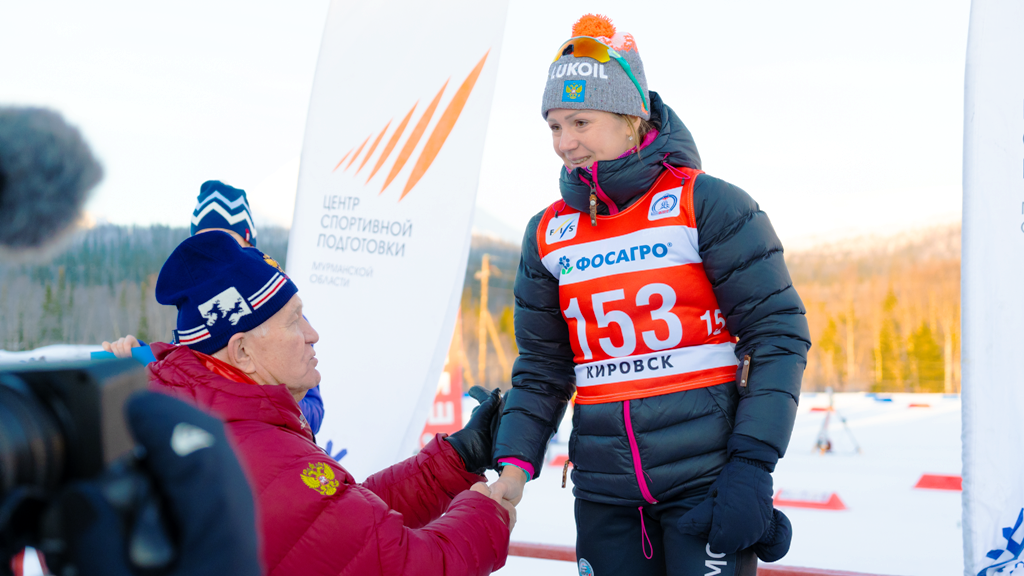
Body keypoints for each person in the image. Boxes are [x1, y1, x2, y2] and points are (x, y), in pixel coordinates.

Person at [487, 14, 810, 576]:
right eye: (555, 127)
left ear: (632, 118)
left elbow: (778, 334)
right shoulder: (547, 234)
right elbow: (542, 369)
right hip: (605, 492)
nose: (566, 143)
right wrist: (510, 474)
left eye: (581, 121)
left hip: (706, 483)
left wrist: (753, 466)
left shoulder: (706, 205)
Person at [146, 231, 513, 575]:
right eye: (293, 322)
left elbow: (336, 525)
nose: (312, 334)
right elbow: (406, 565)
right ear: (242, 351)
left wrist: (456, 459)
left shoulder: (209, 419)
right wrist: (486, 513)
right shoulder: (257, 454)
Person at [102, 180, 325, 434]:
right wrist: (144, 358)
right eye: (204, 244)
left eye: (228, 243)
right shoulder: (197, 307)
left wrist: (255, 397)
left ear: (249, 246)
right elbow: (189, 371)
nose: (214, 256)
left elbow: (314, 411)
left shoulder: (279, 312)